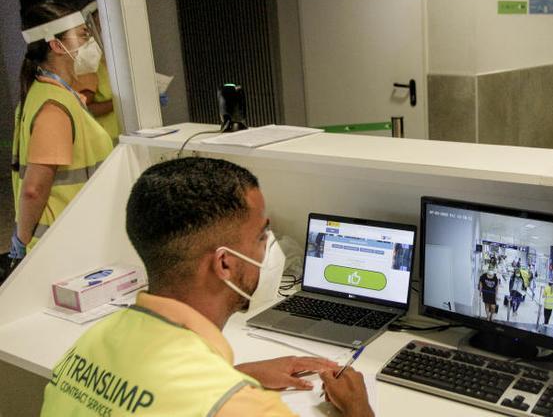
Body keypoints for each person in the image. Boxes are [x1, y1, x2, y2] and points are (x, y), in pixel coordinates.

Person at [40, 157, 374, 416]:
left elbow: (153, 394)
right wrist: (358, 408)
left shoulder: (91, 342)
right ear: (225, 264)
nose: (269, 247)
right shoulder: (243, 408)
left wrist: (237, 374)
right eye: (261, 236)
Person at [9, 1, 113, 266]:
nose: (89, 43)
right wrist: (21, 240)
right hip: (63, 243)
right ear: (56, 45)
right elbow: (34, 189)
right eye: (82, 35)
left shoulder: (47, 94)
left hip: (70, 238)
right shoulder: (54, 107)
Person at [76, 2, 121, 143]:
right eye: (103, 24)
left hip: (130, 132)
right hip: (105, 140)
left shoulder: (119, 58)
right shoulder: (89, 62)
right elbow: (84, 109)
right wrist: (119, 104)